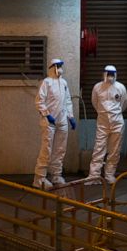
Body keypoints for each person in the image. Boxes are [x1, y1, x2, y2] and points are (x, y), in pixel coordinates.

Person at [34, 58, 76, 189]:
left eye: (61, 65)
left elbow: (68, 100)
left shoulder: (63, 82)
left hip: (62, 120)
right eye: (58, 66)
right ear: (53, 67)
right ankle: (39, 178)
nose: (60, 68)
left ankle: (56, 175)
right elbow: (39, 101)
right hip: (49, 121)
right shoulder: (46, 82)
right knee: (46, 149)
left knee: (60, 149)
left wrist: (71, 116)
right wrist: (47, 114)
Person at [88, 65, 127, 184]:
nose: (110, 76)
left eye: (112, 74)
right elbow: (94, 102)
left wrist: (114, 114)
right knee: (98, 148)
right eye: (108, 74)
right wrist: (104, 113)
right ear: (104, 74)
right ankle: (94, 175)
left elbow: (124, 103)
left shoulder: (120, 87)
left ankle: (109, 174)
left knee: (114, 150)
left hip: (117, 122)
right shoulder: (97, 87)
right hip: (102, 123)